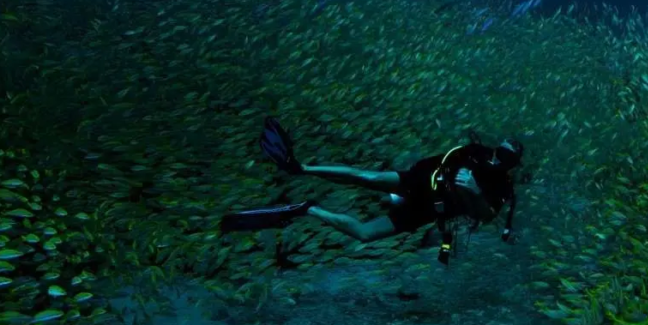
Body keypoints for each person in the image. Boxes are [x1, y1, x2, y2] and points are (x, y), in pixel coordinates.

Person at [221, 118, 524, 264]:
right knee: (364, 177)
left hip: (427, 210)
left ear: (512, 166)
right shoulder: (476, 152)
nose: (497, 159)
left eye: (506, 159)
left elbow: (487, 217)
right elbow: (441, 160)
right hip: (421, 181)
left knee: (364, 234)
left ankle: (307, 208)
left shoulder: (504, 188)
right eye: (499, 151)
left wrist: (475, 191)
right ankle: (301, 167)